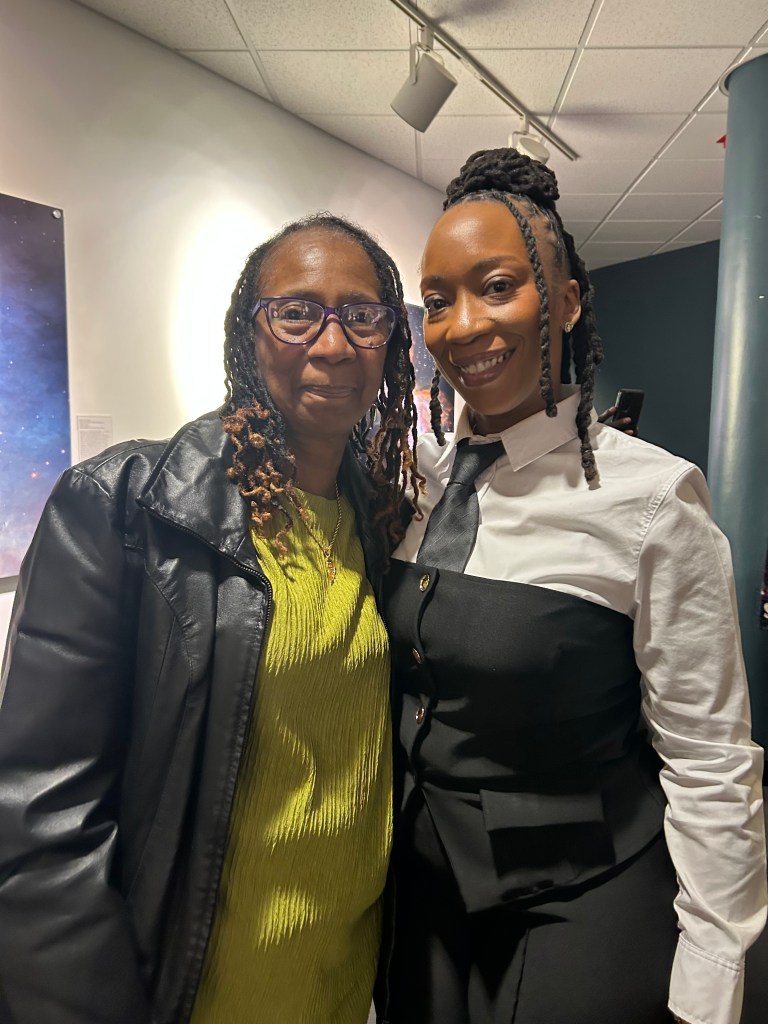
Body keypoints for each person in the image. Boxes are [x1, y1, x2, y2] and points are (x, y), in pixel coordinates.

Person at [0, 213, 424, 1024]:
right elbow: (39, 818)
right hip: (193, 996)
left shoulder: (384, 520)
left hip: (342, 990)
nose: (333, 344)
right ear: (247, 335)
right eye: (296, 313)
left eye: (363, 315)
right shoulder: (125, 508)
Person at [379, 150, 767, 1024]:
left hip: (582, 900)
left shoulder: (653, 500)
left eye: (497, 287)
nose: (462, 325)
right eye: (436, 300)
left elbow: (710, 760)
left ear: (566, 300)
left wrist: (712, 979)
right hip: (424, 898)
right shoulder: (419, 484)